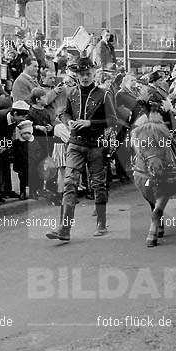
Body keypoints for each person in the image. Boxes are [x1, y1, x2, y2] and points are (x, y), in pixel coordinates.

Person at [46, 57, 117, 241]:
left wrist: (90, 122)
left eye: (87, 74)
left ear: (94, 74)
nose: (84, 77)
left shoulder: (104, 94)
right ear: (76, 75)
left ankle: (101, 223)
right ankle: (64, 229)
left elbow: (112, 120)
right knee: (69, 183)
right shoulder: (71, 93)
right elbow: (65, 112)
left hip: (96, 145)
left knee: (98, 184)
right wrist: (68, 121)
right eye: (81, 74)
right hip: (76, 143)